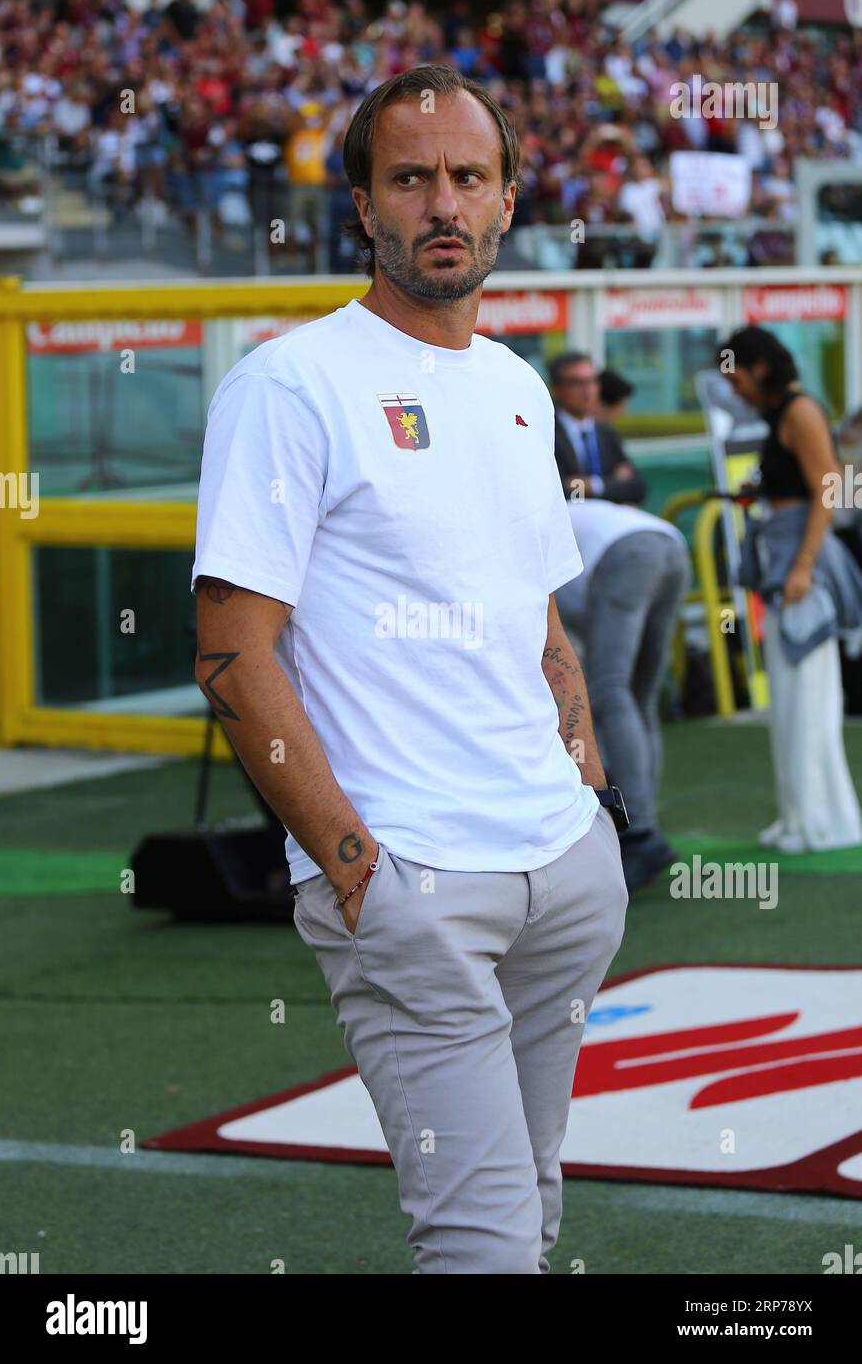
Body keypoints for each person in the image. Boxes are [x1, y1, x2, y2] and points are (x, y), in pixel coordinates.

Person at [192, 63, 628, 1275]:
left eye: (466, 176)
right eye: (410, 177)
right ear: (362, 204)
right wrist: (351, 868)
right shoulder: (288, 383)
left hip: (561, 871)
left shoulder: (516, 385)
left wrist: (584, 788)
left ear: (504, 200)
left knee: (528, 1212)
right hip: (410, 884)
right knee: (480, 1243)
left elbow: (535, 615)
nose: (441, 202)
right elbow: (233, 654)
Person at [719, 326, 862, 853]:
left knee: (808, 695)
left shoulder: (800, 411)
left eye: (736, 379)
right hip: (783, 561)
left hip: (803, 567)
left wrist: (803, 565)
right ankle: (800, 813)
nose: (735, 392)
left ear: (760, 368)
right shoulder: (780, 414)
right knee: (789, 695)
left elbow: (828, 487)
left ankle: (819, 820)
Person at [565, 497, 691, 891]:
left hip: (625, 554)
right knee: (638, 697)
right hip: (668, 543)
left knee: (610, 693)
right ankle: (644, 820)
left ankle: (640, 832)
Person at [550, 351, 647, 506]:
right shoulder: (547, 433)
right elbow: (560, 494)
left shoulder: (606, 433)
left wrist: (594, 485)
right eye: (576, 383)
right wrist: (611, 486)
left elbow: (637, 489)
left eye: (592, 381)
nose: (587, 391)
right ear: (557, 389)